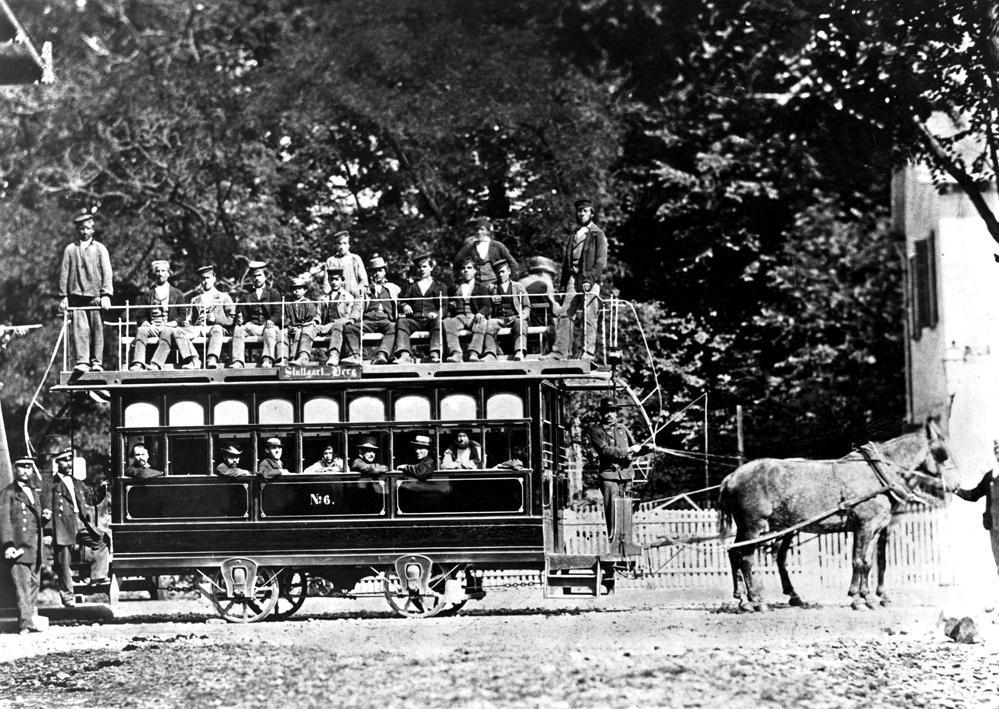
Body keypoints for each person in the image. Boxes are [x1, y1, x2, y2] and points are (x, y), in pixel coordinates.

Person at [49, 448, 110, 607]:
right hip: (62, 525)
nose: (68, 464)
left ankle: (97, 576)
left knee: (101, 540)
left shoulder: (77, 482)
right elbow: (46, 507)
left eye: (69, 460)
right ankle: (68, 597)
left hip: (80, 522)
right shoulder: (51, 484)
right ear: (57, 463)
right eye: (64, 460)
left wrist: (102, 488)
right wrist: (48, 531)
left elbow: (91, 499)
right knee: (63, 563)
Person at [549, 198, 607, 361]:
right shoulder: (573, 236)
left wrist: (590, 279)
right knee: (564, 313)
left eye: (585, 211)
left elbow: (601, 261)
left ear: (592, 213)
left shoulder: (597, 234)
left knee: (589, 316)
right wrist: (562, 286)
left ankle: (587, 353)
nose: (581, 214)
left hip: (590, 280)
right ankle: (559, 352)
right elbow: (566, 263)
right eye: (579, 211)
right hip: (572, 280)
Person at [58, 209, 114, 373]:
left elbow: (107, 272)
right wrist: (63, 297)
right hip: (77, 297)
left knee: (97, 330)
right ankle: (82, 362)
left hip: (95, 296)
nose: (84, 231)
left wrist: (106, 295)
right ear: (77, 230)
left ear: (93, 230)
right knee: (80, 330)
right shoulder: (70, 249)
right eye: (81, 228)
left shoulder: (100, 249)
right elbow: (64, 273)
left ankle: (97, 362)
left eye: (88, 228)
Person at [587, 398, 651, 533]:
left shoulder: (622, 428)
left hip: (626, 476)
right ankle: (614, 544)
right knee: (612, 511)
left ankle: (626, 543)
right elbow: (605, 450)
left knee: (626, 511)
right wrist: (627, 450)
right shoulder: (596, 431)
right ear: (601, 414)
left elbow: (634, 449)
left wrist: (646, 448)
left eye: (612, 411)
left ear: (616, 413)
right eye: (606, 412)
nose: (610, 415)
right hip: (609, 477)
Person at [1, 457, 48, 634]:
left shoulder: (33, 492)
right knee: (22, 587)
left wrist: (45, 517)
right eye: (22, 467)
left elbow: (35, 520)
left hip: (34, 546)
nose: (26, 471)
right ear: (15, 468)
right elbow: (4, 520)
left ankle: (31, 619)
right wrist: (8, 544)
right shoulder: (8, 493)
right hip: (19, 547)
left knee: (35, 584)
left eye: (29, 467)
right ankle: (25, 625)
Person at [159, 264, 235, 370]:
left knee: (217, 328)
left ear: (214, 278)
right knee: (177, 331)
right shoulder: (195, 300)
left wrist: (216, 319)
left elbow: (232, 319)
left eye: (208, 278)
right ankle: (194, 360)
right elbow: (191, 319)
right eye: (203, 279)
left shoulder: (224, 297)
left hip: (215, 328)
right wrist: (186, 323)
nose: (205, 281)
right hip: (198, 328)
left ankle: (212, 359)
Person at [954, 439, 999, 584]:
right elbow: (973, 495)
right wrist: (956, 489)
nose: (998, 452)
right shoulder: (990, 475)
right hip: (994, 526)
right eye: (996, 450)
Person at [342, 254, 398, 366]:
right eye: (374, 271)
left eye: (380, 270)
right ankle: (355, 355)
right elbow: (358, 306)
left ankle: (382, 354)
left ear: (385, 271)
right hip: (368, 320)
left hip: (386, 320)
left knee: (395, 327)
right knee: (349, 327)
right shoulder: (365, 290)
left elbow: (401, 302)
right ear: (370, 273)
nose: (377, 273)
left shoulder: (393, 288)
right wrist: (352, 319)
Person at [129, 260, 185, 370]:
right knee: (141, 330)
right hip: (153, 327)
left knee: (167, 332)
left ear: (168, 273)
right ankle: (138, 363)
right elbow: (141, 314)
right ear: (154, 274)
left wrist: (174, 322)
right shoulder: (149, 294)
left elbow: (183, 314)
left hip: (168, 326)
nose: (160, 274)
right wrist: (145, 322)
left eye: (163, 271)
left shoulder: (177, 293)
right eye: (158, 271)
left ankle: (156, 364)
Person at [300, 267, 360, 367]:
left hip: (339, 325)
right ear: (328, 281)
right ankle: (303, 357)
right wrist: (314, 322)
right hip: (325, 326)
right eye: (331, 279)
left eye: (336, 279)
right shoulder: (323, 298)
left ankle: (334, 355)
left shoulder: (348, 297)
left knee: (338, 324)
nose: (334, 282)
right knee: (308, 327)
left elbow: (347, 317)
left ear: (342, 280)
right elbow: (318, 316)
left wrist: (333, 324)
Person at [393, 253, 446, 364]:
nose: (421, 269)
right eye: (419, 267)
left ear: (431, 268)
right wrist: (405, 305)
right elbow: (401, 301)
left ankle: (434, 355)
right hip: (415, 320)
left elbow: (444, 306)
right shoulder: (411, 285)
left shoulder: (439, 285)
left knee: (438, 321)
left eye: (425, 266)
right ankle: (404, 355)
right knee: (402, 321)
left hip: (431, 320)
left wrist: (437, 313)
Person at [231, 261, 282, 368]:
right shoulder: (246, 295)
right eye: (254, 276)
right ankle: (238, 361)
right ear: (251, 278)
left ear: (265, 277)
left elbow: (278, 312)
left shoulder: (273, 293)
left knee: (270, 330)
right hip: (252, 326)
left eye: (260, 275)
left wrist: (271, 320)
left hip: (268, 326)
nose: (257, 278)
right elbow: (241, 313)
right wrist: (240, 318)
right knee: (238, 329)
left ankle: (267, 359)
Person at [443, 258, 490, 363]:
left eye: (469, 268)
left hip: (474, 316)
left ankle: (474, 353)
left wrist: (481, 313)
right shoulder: (455, 287)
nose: (466, 270)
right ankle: (456, 353)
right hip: (460, 317)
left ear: (475, 271)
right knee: (447, 322)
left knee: (482, 322)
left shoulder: (481, 287)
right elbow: (449, 302)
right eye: (463, 268)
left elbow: (486, 305)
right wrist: (452, 305)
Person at [483, 259, 528, 361]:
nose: (500, 275)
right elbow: (484, 305)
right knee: (490, 324)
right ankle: (490, 353)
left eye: (503, 272)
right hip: (498, 318)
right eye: (498, 273)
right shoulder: (491, 287)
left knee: (520, 323)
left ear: (509, 271)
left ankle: (519, 351)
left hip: (514, 317)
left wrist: (523, 315)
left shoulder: (518, 286)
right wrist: (491, 301)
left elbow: (527, 306)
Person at [453, 217, 519, 287]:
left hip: (495, 284)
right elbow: (457, 261)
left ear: (487, 232)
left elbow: (513, 264)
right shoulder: (470, 246)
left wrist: (509, 282)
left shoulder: (497, 245)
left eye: (482, 229)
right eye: (477, 229)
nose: (479, 232)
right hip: (475, 285)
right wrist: (460, 280)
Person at [315, 230, 368, 298]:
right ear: (335, 245)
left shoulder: (355, 259)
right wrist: (330, 297)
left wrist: (358, 293)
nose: (342, 246)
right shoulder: (331, 261)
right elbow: (326, 284)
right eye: (339, 244)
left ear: (349, 245)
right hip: (336, 299)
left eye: (345, 243)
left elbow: (363, 281)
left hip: (354, 297)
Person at [285, 276, 320, 365]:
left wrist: (300, 325)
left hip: (304, 327)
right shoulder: (288, 304)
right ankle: (285, 358)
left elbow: (310, 318)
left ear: (304, 290)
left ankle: (300, 357)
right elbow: (286, 317)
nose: (296, 291)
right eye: (294, 289)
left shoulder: (308, 303)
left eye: (299, 289)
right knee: (284, 333)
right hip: (292, 327)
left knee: (300, 332)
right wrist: (289, 325)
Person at [518, 256, 560, 329]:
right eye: (551, 274)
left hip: (522, 317)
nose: (552, 278)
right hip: (539, 320)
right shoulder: (545, 282)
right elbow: (553, 307)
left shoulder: (521, 281)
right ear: (543, 272)